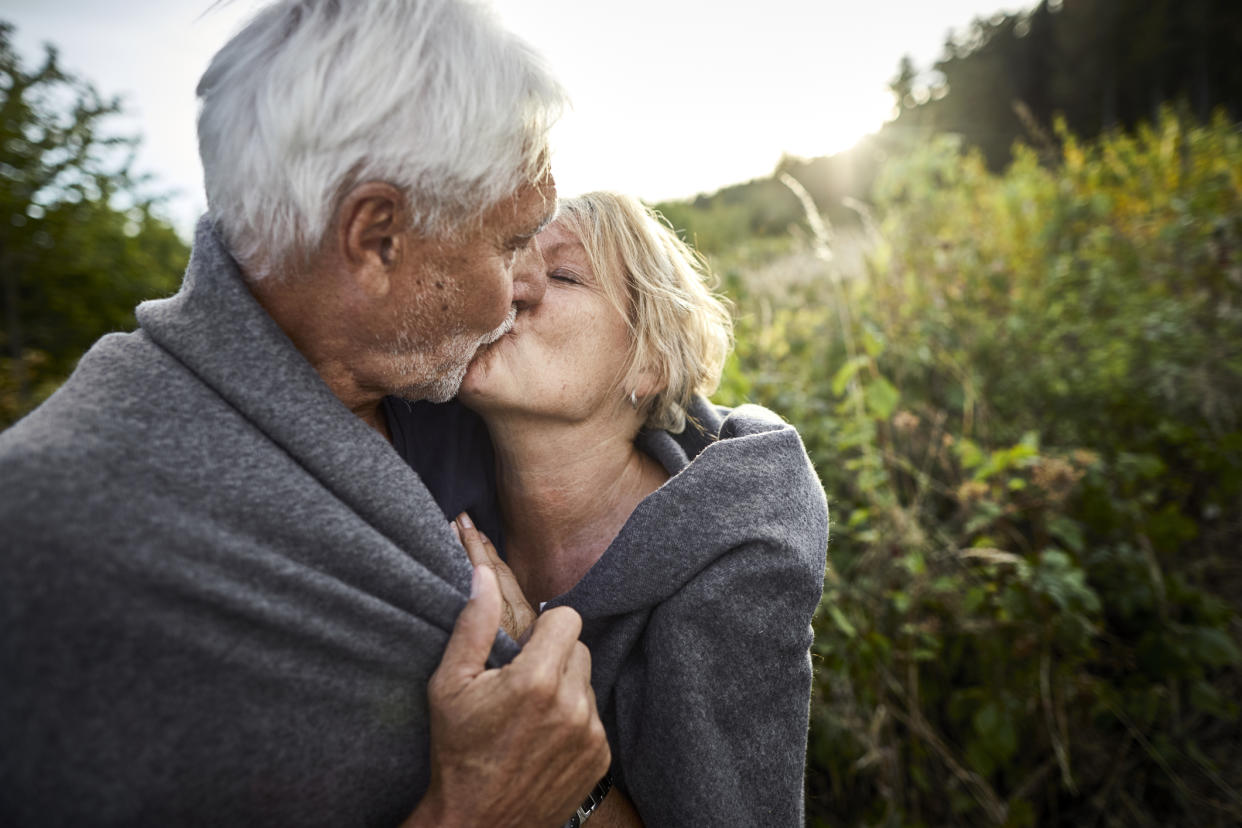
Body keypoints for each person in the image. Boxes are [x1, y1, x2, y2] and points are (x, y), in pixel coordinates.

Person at [0, 1, 615, 825]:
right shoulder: (47, 540)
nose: (513, 294)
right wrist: (474, 813)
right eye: (508, 245)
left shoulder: (444, 396)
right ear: (377, 237)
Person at [387, 192, 830, 825]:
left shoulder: (730, 561)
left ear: (649, 361)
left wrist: (556, 765)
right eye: (510, 262)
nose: (516, 288)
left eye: (564, 275)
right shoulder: (419, 472)